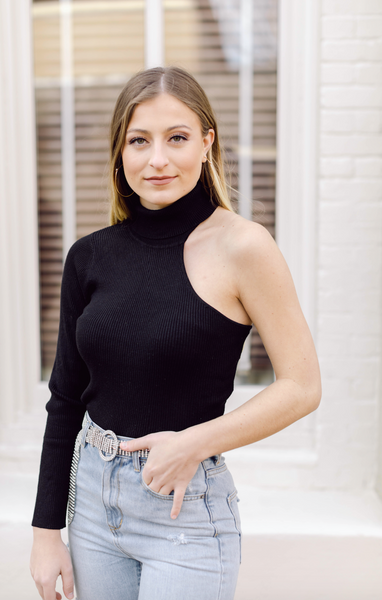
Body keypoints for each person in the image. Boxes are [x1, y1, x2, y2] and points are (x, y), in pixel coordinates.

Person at [30, 66, 321, 600]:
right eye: (139, 140)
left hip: (183, 513)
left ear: (207, 143)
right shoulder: (88, 257)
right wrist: (46, 532)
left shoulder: (243, 247)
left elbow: (302, 387)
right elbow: (65, 399)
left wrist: (194, 443)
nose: (157, 159)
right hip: (91, 507)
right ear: (120, 152)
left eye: (177, 138)